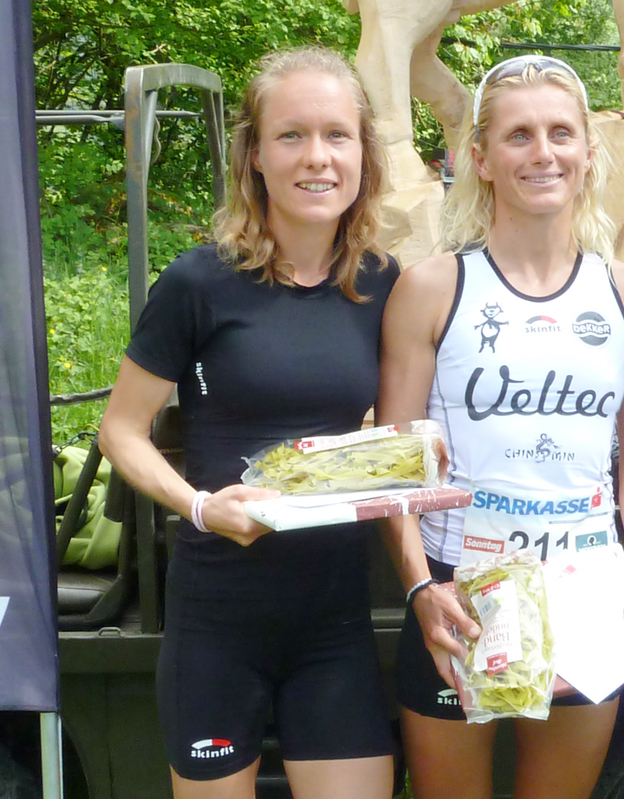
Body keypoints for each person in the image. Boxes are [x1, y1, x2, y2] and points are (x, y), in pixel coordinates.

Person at [98, 47, 399, 799]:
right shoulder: (198, 282)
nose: (317, 156)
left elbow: (401, 428)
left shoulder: (381, 282)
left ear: (363, 152)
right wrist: (200, 506)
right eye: (291, 135)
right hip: (218, 621)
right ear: (255, 154)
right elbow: (121, 431)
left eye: (337, 134)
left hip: (334, 620)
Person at [376, 55, 624, 799]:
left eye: (561, 133)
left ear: (588, 152)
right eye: (519, 136)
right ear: (480, 157)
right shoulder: (433, 288)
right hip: (460, 589)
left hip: (586, 587)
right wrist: (420, 588)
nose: (543, 152)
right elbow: (395, 465)